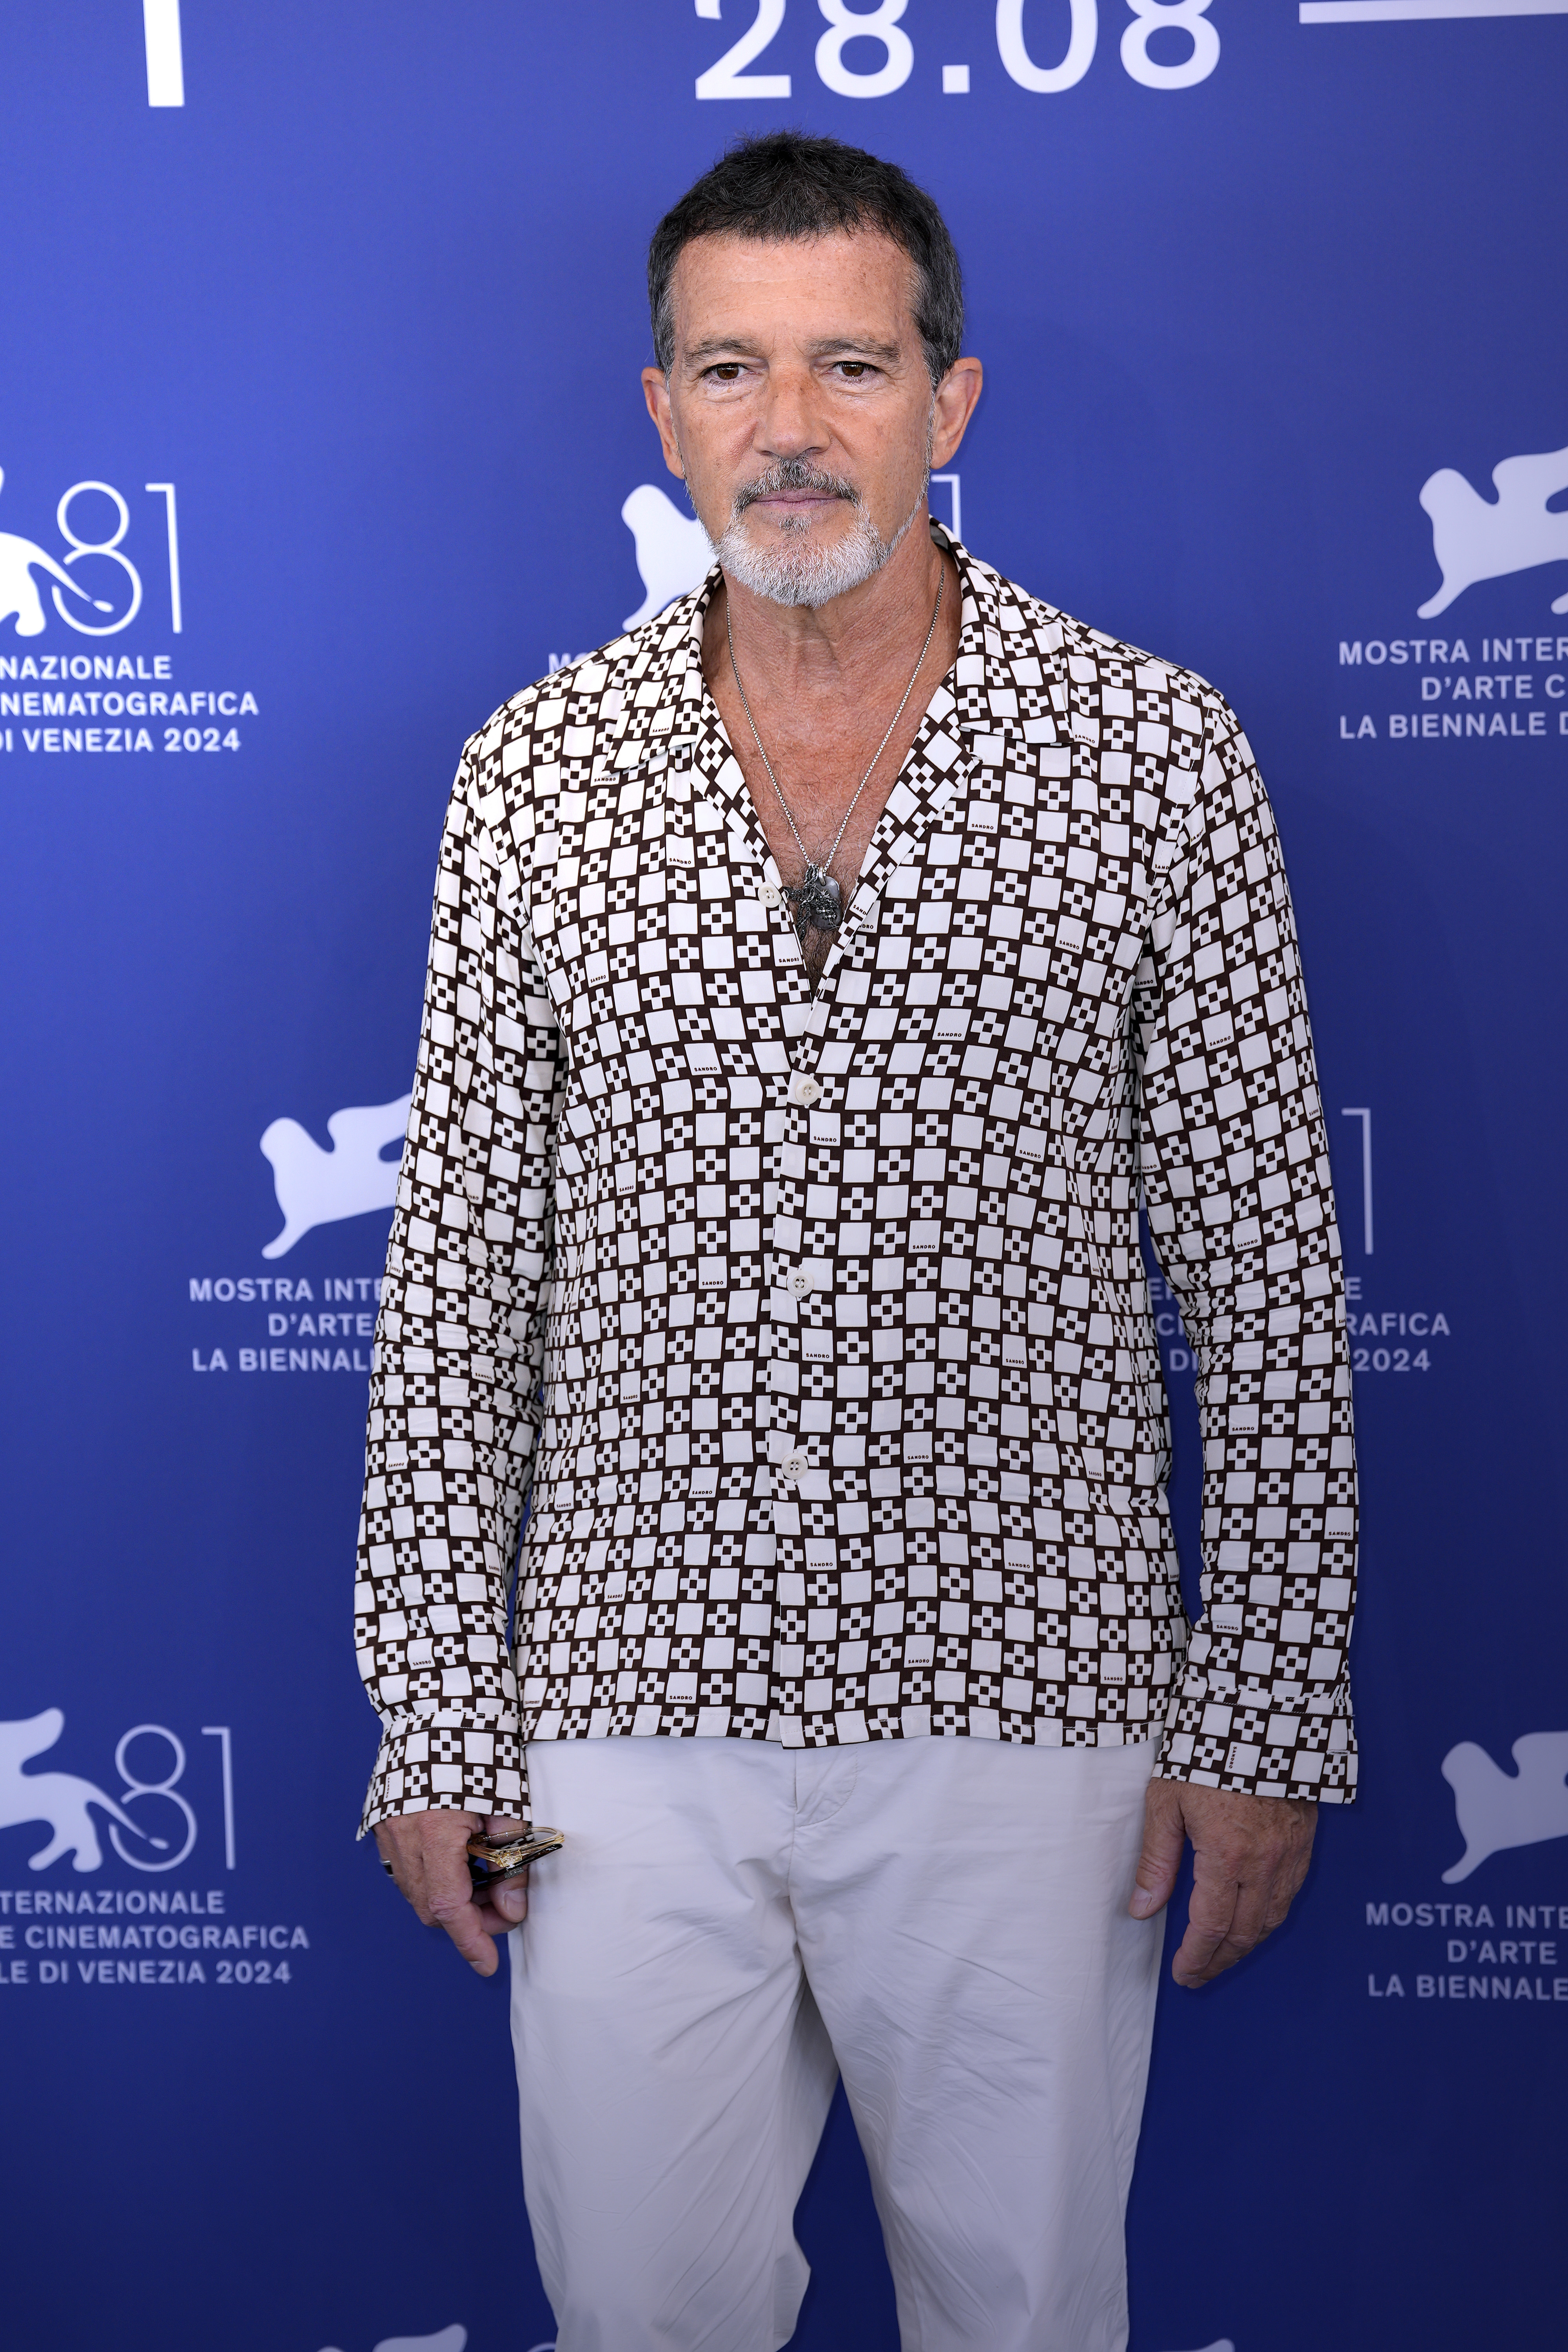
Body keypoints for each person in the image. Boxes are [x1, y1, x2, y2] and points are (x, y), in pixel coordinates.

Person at [359, 131, 1358, 2352]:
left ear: (953, 399)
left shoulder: (1147, 759)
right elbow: (454, 1293)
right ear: (660, 413)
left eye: (849, 366)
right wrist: (435, 1715)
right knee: (638, 2314)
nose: (790, 429)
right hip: (622, 1722)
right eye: (731, 369)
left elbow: (1271, 1289)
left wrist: (1269, 1712)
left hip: (1034, 1706)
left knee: (1022, 2314)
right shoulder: (534, 776)